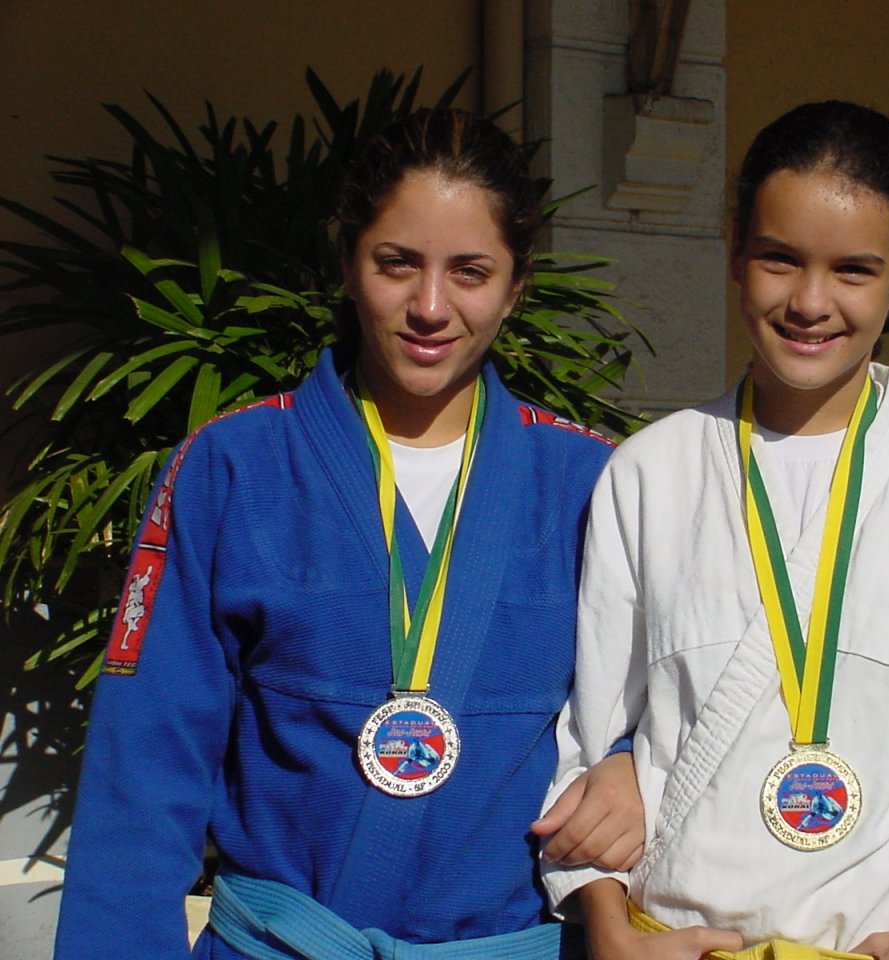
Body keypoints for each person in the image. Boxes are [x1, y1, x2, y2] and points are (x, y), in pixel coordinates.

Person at [53, 106, 642, 960]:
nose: (430, 306)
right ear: (346, 263)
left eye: (470, 272)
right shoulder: (234, 466)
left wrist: (632, 761)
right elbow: (145, 769)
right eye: (397, 264)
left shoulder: (594, 482)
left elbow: (676, 690)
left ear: (516, 288)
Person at [542, 100, 889, 960]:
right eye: (780, 259)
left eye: (853, 270)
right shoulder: (651, 473)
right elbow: (589, 738)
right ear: (736, 250)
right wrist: (613, 931)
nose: (811, 302)